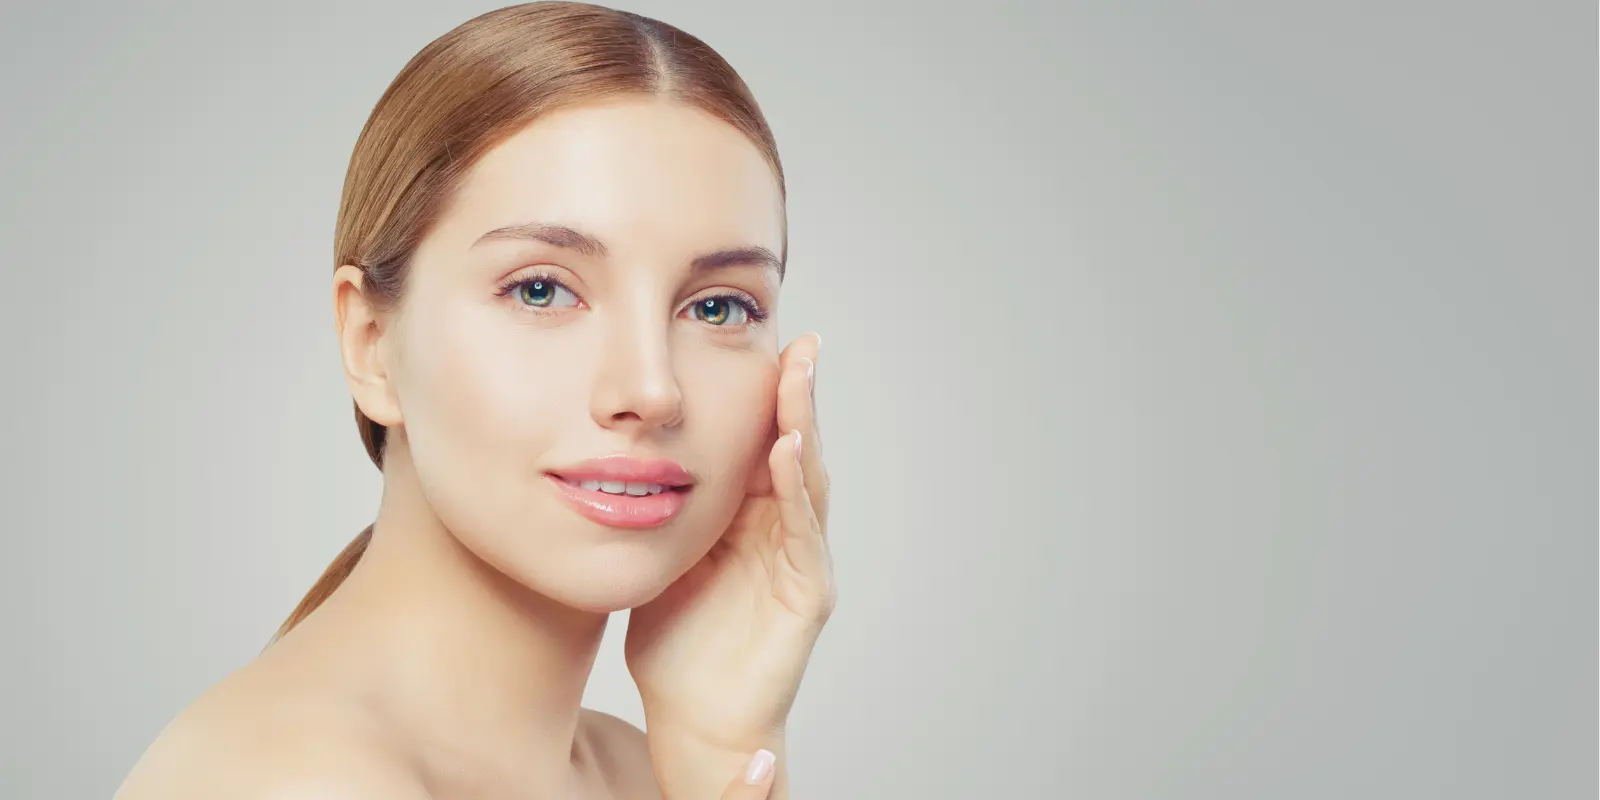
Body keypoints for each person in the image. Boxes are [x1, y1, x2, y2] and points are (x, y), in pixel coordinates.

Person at [113, 3, 835, 798]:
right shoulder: (293, 783)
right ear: (371, 343)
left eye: (717, 308)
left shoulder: (644, 770)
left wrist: (723, 743)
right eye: (540, 290)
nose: (651, 390)